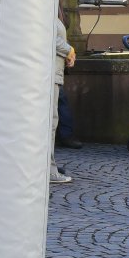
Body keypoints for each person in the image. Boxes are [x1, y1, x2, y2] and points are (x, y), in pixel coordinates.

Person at [49, 19, 74, 184]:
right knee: (49, 124)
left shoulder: (52, 9)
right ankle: (48, 170)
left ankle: (49, 167)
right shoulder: (46, 8)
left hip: (54, 73)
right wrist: (69, 50)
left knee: (52, 123)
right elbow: (48, 35)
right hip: (49, 74)